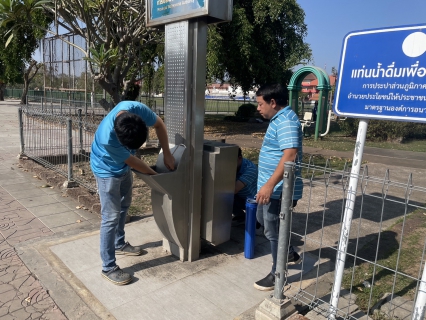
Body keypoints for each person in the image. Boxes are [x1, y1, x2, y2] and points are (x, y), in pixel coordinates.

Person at [90, 100, 175, 286]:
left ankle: (119, 243)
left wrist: (167, 153)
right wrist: (156, 177)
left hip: (122, 167)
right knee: (110, 217)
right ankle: (108, 267)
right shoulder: (108, 138)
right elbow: (133, 161)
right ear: (119, 138)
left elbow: (159, 124)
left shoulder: (135, 108)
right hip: (106, 170)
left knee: (125, 203)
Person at [253, 83, 303, 291]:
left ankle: (277, 274)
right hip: (270, 188)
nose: (258, 108)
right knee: (262, 221)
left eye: (260, 104)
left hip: (279, 189)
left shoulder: (286, 122)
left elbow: (290, 156)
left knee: (271, 229)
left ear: (273, 102)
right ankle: (288, 252)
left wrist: (269, 186)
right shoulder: (280, 119)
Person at [232, 147, 258, 225]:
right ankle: (241, 216)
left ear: (239, 158)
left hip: (254, 201)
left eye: (231, 160)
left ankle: (256, 218)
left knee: (224, 195)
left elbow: (234, 190)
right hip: (240, 196)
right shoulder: (235, 166)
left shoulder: (250, 169)